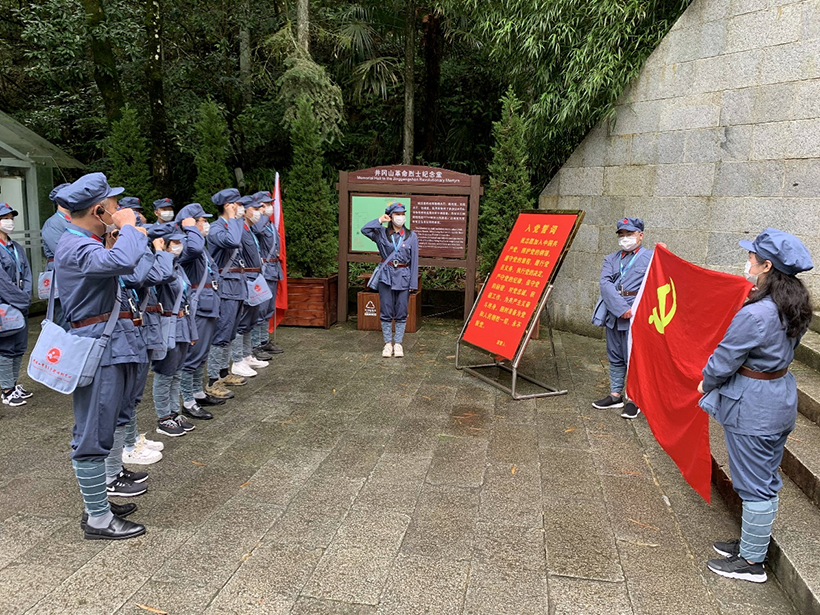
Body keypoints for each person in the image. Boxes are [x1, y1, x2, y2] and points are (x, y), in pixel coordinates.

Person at [698, 228, 813, 583]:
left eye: (751, 257)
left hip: (753, 406)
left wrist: (706, 381)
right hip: (778, 397)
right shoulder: (795, 304)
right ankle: (752, 543)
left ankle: (751, 562)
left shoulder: (758, 313)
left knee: (754, 484)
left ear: (767, 266)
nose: (747, 262)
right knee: (763, 476)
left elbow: (725, 358)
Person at [54, 172, 148, 540]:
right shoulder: (75, 246)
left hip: (113, 345)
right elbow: (125, 261)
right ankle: (97, 518)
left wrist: (116, 235)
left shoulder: (89, 242)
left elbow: (130, 270)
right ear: (98, 210)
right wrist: (128, 228)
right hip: (98, 348)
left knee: (110, 422)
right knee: (92, 433)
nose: (120, 209)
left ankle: (101, 502)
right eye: (114, 205)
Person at [592, 217, 655, 419]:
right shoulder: (611, 259)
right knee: (615, 355)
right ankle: (615, 395)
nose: (625, 238)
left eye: (630, 234)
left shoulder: (652, 257)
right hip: (615, 313)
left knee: (635, 358)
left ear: (640, 235)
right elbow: (605, 284)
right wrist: (620, 308)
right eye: (622, 234)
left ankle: (634, 400)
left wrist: (665, 254)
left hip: (638, 315)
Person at [175, 202, 230, 416]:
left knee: (202, 354)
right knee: (192, 356)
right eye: (202, 220)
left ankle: (198, 392)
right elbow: (194, 249)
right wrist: (190, 228)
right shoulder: (186, 244)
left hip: (208, 304)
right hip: (198, 307)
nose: (206, 224)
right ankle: (188, 401)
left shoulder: (201, 245)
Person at [150, 222, 201, 436]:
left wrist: (192, 331)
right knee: (165, 372)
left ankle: (174, 412)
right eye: (175, 242)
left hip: (182, 324)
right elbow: (164, 277)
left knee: (177, 373)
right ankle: (163, 417)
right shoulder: (158, 265)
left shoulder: (176, 265)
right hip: (167, 325)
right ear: (162, 243)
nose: (180, 245)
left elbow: (186, 299)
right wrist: (160, 253)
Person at [361, 202, 419, 358]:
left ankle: (398, 343)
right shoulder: (381, 233)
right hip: (386, 276)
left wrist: (413, 283)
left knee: (401, 310)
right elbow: (364, 230)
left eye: (402, 214)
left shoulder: (411, 236)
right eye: (397, 214)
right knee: (386, 310)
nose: (401, 217)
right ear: (391, 216)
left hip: (404, 277)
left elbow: (414, 261)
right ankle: (387, 343)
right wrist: (380, 220)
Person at [206, 189, 248, 393]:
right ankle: (213, 379)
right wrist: (232, 217)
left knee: (230, 333)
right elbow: (232, 241)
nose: (241, 207)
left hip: (237, 285)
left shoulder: (233, 225)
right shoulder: (216, 228)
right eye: (236, 204)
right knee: (221, 333)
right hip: (225, 287)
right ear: (227, 206)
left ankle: (224, 372)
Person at [229, 195, 270, 375]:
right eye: (255, 209)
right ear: (244, 211)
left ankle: (246, 356)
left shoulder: (249, 229)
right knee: (242, 320)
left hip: (255, 276)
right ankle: (237, 360)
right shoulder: (240, 230)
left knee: (250, 320)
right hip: (247, 277)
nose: (258, 212)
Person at [0, 203, 32, 407]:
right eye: (5, 218)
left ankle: (13, 383)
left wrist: (25, 297)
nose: (9, 222)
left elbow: (27, 274)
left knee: (20, 346)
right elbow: (2, 282)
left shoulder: (16, 247)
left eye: (11, 218)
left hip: (20, 304)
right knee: (6, 347)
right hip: (5, 305)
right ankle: (6, 390)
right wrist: (20, 300)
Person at [250, 191, 284, 357]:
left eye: (270, 204)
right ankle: (256, 345)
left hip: (273, 270)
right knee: (260, 309)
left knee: (268, 309)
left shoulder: (269, 223)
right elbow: (257, 229)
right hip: (264, 270)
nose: (270, 207)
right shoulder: (259, 222)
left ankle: (264, 341)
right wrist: (262, 213)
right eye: (266, 204)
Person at [41, 182, 71, 330]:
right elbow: (62, 251)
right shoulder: (53, 223)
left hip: (73, 273)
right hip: (61, 272)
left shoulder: (74, 220)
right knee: (65, 316)